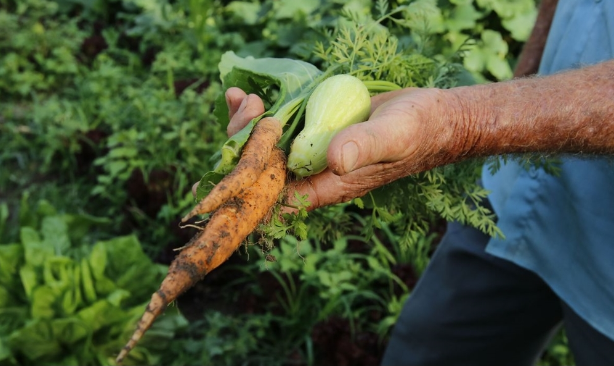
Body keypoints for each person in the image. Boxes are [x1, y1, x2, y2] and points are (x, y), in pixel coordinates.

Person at [211, 0, 614, 364]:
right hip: (508, 197)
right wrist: (521, 85)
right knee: (429, 346)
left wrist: (467, 123)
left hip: (605, 262)